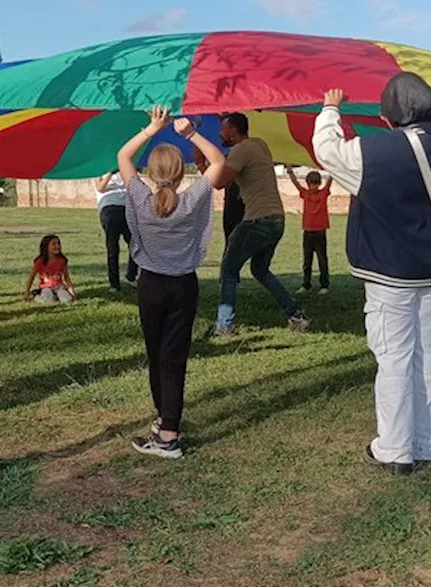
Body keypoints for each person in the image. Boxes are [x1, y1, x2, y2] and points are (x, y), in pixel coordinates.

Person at [313, 77, 431, 475]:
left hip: (387, 274)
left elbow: (327, 151)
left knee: (394, 360)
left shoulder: (371, 149)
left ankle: (394, 450)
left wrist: (331, 109)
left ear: (386, 117)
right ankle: (424, 444)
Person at [118, 107, 225, 458]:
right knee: (174, 358)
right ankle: (166, 422)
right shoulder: (191, 200)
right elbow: (217, 161)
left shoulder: (139, 197)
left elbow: (123, 155)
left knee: (155, 355)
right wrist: (190, 133)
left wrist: (152, 128)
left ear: (150, 173)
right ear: (182, 174)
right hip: (183, 287)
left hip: (151, 286)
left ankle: (168, 434)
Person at [207, 112, 308, 335]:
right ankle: (295, 314)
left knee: (229, 269)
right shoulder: (260, 144)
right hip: (277, 219)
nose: (220, 133)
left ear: (233, 132)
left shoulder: (240, 150)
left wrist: (202, 157)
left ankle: (224, 326)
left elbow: (219, 182)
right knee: (260, 269)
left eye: (223, 129)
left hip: (257, 220)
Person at [286, 165, 333, 294]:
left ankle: (324, 285)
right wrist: (290, 171)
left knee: (322, 259)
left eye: (316, 184)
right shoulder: (305, 193)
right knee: (307, 260)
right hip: (308, 231)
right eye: (312, 184)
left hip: (320, 231)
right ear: (307, 184)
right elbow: (296, 183)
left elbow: (330, 180)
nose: (314, 187)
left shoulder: (324, 193)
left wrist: (333, 168)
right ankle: (306, 284)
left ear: (319, 184)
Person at [95, 170, 138, 292]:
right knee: (113, 248)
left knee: (135, 244)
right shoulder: (101, 169)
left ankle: (131, 276)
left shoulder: (124, 168)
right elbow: (100, 188)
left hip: (126, 208)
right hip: (109, 208)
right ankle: (114, 284)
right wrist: (110, 173)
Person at [24, 235, 76, 304]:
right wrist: (27, 291)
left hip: (59, 287)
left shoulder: (62, 260)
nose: (57, 246)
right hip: (46, 288)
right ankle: (35, 295)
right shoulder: (39, 261)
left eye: (58, 244)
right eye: (54, 244)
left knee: (67, 300)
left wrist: (71, 291)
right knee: (48, 301)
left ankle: (57, 295)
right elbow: (32, 276)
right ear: (46, 247)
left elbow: (66, 277)